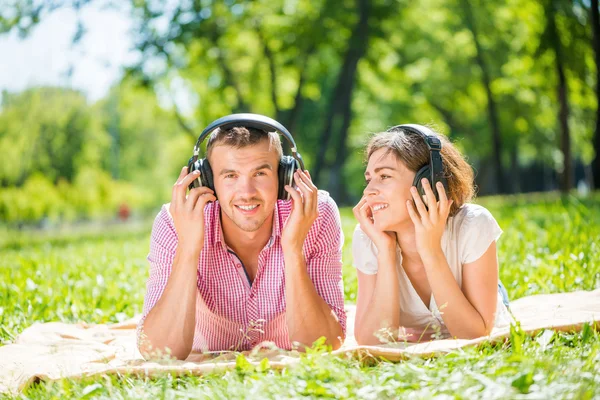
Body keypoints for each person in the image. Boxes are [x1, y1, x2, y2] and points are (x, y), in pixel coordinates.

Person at [137, 115, 346, 360]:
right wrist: (188, 248)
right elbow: (158, 352)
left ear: (283, 177)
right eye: (230, 176)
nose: (246, 193)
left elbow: (325, 344)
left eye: (260, 174)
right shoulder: (176, 221)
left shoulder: (315, 213)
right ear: (207, 180)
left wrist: (292, 249)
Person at [352, 124, 511, 345]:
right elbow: (372, 341)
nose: (368, 191)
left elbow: (475, 335)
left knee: (494, 297)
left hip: (480, 288)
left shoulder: (473, 225)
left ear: (430, 182)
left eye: (385, 176)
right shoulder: (367, 237)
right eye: (369, 179)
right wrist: (386, 252)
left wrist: (430, 250)